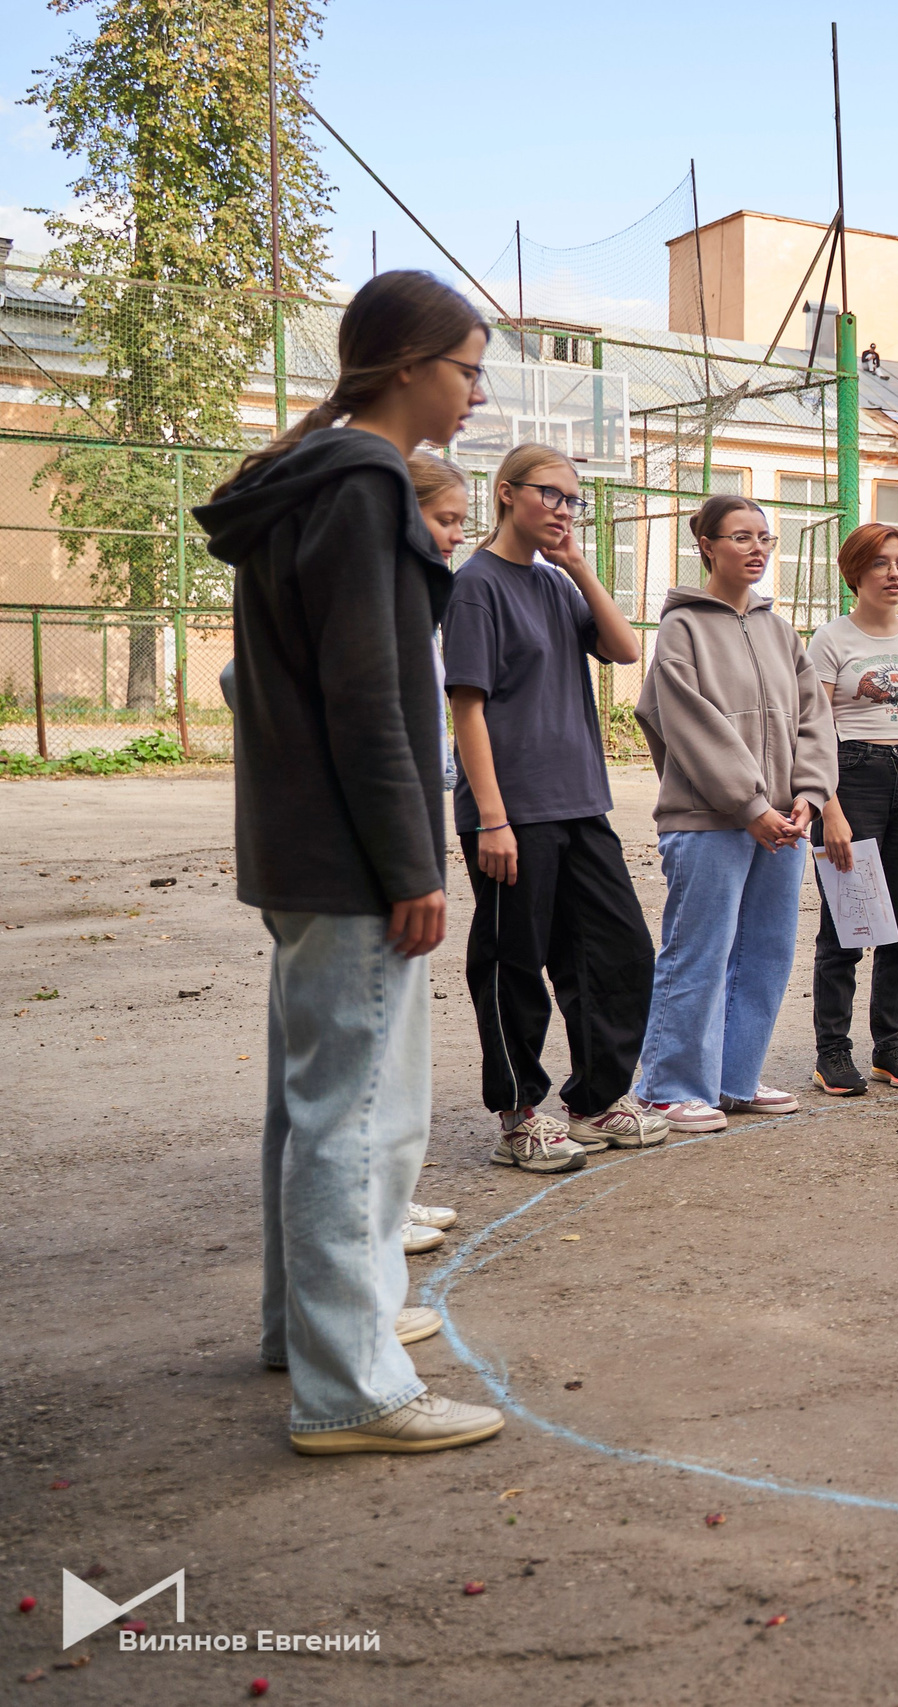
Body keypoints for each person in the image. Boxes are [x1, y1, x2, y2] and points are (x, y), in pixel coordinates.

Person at [194, 268, 505, 1456]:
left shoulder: (306, 483)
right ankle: (353, 1389)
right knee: (361, 1116)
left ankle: (318, 1326)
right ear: (409, 367)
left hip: (300, 849)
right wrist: (412, 865)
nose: (476, 392)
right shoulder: (369, 481)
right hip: (351, 854)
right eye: (469, 368)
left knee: (311, 1103)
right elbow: (372, 699)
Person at [445, 442, 663, 1173]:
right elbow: (466, 709)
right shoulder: (475, 585)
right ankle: (517, 1115)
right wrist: (493, 817)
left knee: (619, 951)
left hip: (579, 805)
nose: (564, 510)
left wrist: (578, 565)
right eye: (551, 494)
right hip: (513, 812)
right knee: (513, 964)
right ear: (507, 492)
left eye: (574, 500)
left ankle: (596, 1099)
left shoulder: (554, 582)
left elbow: (626, 650)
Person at [631, 496, 833, 1131]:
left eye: (764, 538)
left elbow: (813, 720)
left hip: (785, 823)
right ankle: (668, 1086)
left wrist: (808, 795)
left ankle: (733, 1078)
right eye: (740, 537)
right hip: (710, 822)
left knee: (766, 951)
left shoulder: (780, 631)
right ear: (706, 545)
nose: (756, 549)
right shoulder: (681, 629)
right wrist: (750, 804)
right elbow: (690, 727)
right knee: (700, 951)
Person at [804, 521, 898, 1095]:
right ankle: (832, 1053)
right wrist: (830, 810)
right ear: (855, 573)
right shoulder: (830, 640)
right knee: (845, 926)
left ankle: (891, 1047)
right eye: (881, 564)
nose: (894, 574)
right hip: (852, 777)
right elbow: (814, 731)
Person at [398, 452, 471, 1258]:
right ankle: (375, 1218)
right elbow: (246, 679)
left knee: (398, 1039)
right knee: (368, 1054)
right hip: (379, 857)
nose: (455, 536)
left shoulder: (415, 603)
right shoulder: (368, 590)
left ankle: (393, 1195)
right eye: (445, 519)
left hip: (415, 830)